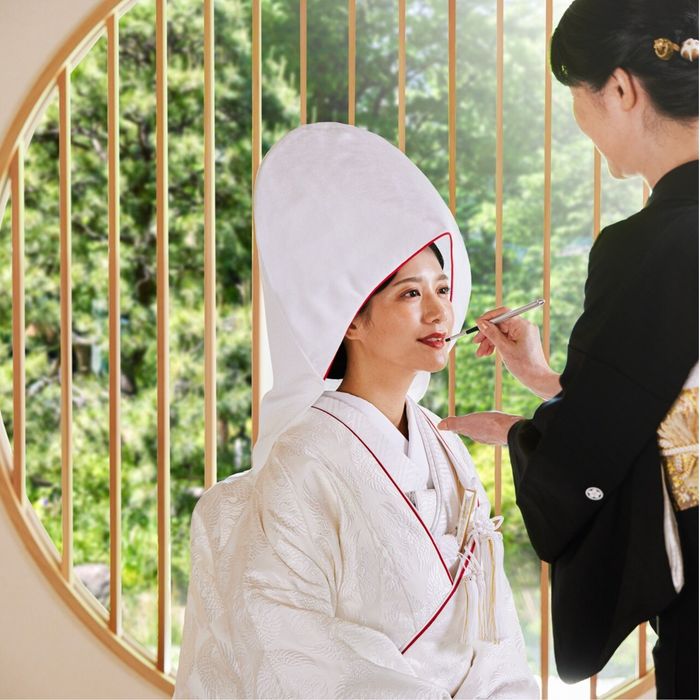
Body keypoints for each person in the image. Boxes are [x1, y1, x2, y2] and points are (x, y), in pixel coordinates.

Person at [174, 123, 538, 698]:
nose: (439, 313)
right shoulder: (303, 461)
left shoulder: (447, 447)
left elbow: (494, 630)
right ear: (351, 320)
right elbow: (293, 648)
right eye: (410, 293)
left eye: (443, 289)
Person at [437, 1, 698, 697]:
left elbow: (587, 459)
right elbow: (674, 413)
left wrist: (526, 438)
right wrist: (549, 381)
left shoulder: (653, 246)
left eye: (577, 94)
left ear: (620, 88)